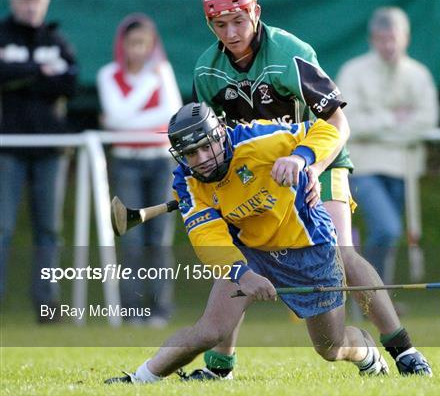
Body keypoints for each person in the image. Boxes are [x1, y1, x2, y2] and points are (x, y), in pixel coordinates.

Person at [186, 0, 431, 379]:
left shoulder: (289, 52)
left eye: (238, 22)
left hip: (319, 158)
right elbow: (213, 142)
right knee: (236, 256)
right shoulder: (207, 70)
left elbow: (337, 122)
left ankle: (403, 349)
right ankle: (220, 367)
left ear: (255, 14)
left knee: (341, 252)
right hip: (258, 176)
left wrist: (309, 165)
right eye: (221, 26)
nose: (231, 34)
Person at [105, 101, 391, 384]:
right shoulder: (187, 183)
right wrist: (242, 274)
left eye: (206, 146)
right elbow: (208, 238)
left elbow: (326, 130)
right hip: (252, 250)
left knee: (331, 346)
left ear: (220, 136)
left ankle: (366, 352)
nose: (201, 158)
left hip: (309, 245)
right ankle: (138, 379)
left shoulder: (259, 139)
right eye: (191, 153)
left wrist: (301, 158)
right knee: (209, 331)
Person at [335, 7, 439, 283]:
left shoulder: (418, 75)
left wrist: (376, 125)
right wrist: (394, 118)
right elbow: (348, 121)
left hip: (405, 168)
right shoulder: (353, 71)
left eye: (394, 38)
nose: (389, 45)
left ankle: (374, 295)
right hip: (363, 166)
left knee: (385, 236)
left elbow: (427, 121)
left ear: (406, 38)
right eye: (382, 39)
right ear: (372, 39)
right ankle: (372, 293)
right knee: (387, 229)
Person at [97, 13, 182, 327]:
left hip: (160, 161)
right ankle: (132, 309)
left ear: (152, 45)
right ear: (123, 44)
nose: (138, 50)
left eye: (144, 43)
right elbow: (117, 118)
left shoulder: (163, 71)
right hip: (126, 161)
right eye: (132, 43)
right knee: (131, 237)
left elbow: (169, 114)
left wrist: (121, 121)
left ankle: (160, 309)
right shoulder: (110, 75)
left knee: (158, 238)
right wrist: (147, 90)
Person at [0, 0, 78, 322]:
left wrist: (19, 76)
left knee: (49, 229)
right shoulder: (3, 36)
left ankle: (47, 305)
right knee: (2, 226)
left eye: (36, 0)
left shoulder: (57, 40)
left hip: (51, 150)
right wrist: (38, 71)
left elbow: (70, 81)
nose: (30, 6)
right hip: (7, 148)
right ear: (13, 2)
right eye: (24, 0)